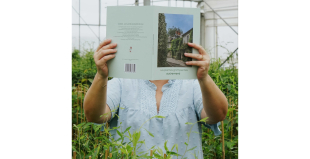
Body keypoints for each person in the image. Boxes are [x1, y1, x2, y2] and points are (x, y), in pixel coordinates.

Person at [84, 38, 228, 158]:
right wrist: (101, 75)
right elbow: (95, 116)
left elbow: (217, 115)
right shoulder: (123, 80)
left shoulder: (191, 82)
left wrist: (204, 78)